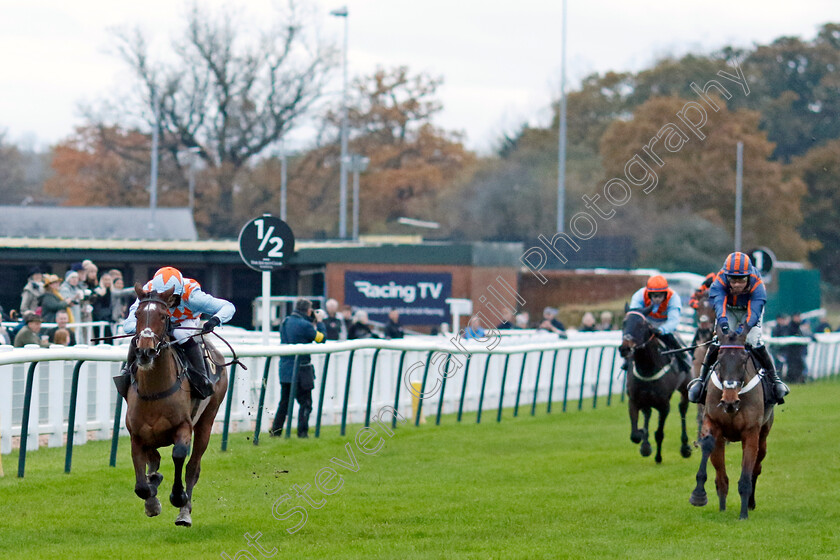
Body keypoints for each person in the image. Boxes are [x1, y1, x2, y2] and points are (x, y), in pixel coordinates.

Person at [114, 267, 235, 401]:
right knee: (142, 336)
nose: (167, 302)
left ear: (179, 292)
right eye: (163, 297)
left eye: (171, 298)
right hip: (157, 321)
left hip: (185, 320)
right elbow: (128, 325)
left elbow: (228, 307)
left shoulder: (193, 296)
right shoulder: (147, 293)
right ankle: (127, 373)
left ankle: (201, 376)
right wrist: (147, 331)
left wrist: (214, 320)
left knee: (179, 334)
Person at [687, 252, 789, 404]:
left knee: (754, 340)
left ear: (748, 276)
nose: (736, 285)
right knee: (718, 340)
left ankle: (775, 380)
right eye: (732, 280)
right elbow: (719, 306)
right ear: (726, 276)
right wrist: (723, 326)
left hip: (749, 311)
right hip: (729, 309)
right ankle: (701, 381)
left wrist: (743, 330)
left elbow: (754, 313)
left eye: (741, 280)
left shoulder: (758, 285)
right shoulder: (719, 282)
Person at [270, 298, 326, 438]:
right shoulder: (305, 325)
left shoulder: (286, 321)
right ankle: (302, 433)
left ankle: (276, 432)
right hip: (301, 370)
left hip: (285, 368)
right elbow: (322, 339)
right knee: (306, 403)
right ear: (308, 310)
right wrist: (319, 322)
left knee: (284, 403)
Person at [622, 275, 692, 375]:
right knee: (633, 341)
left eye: (660, 295)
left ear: (666, 294)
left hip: (665, 325)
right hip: (645, 324)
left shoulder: (673, 297)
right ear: (649, 294)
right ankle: (627, 362)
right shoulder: (639, 296)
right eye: (654, 295)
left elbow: (674, 321)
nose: (657, 299)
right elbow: (634, 318)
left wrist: (661, 330)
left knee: (676, 341)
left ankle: (685, 361)